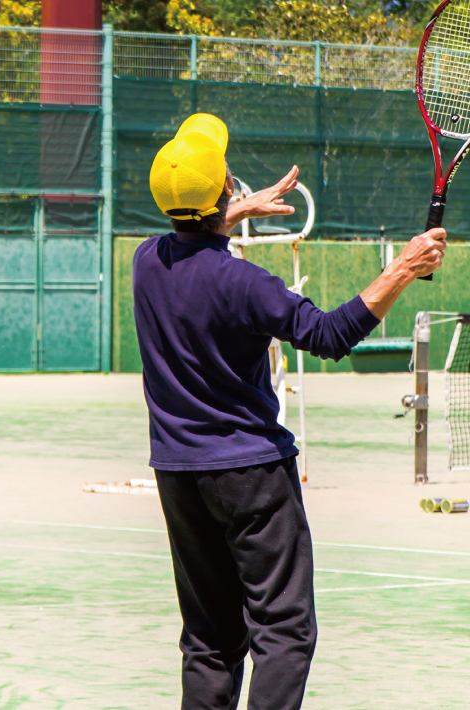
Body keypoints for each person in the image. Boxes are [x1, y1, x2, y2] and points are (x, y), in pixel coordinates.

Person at [135, 113, 446, 709]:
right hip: (252, 477)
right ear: (225, 189)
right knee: (283, 631)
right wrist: (403, 267)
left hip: (178, 476)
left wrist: (235, 213)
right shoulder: (245, 284)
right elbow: (330, 335)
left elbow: (192, 239)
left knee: (209, 638)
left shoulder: (146, 264)